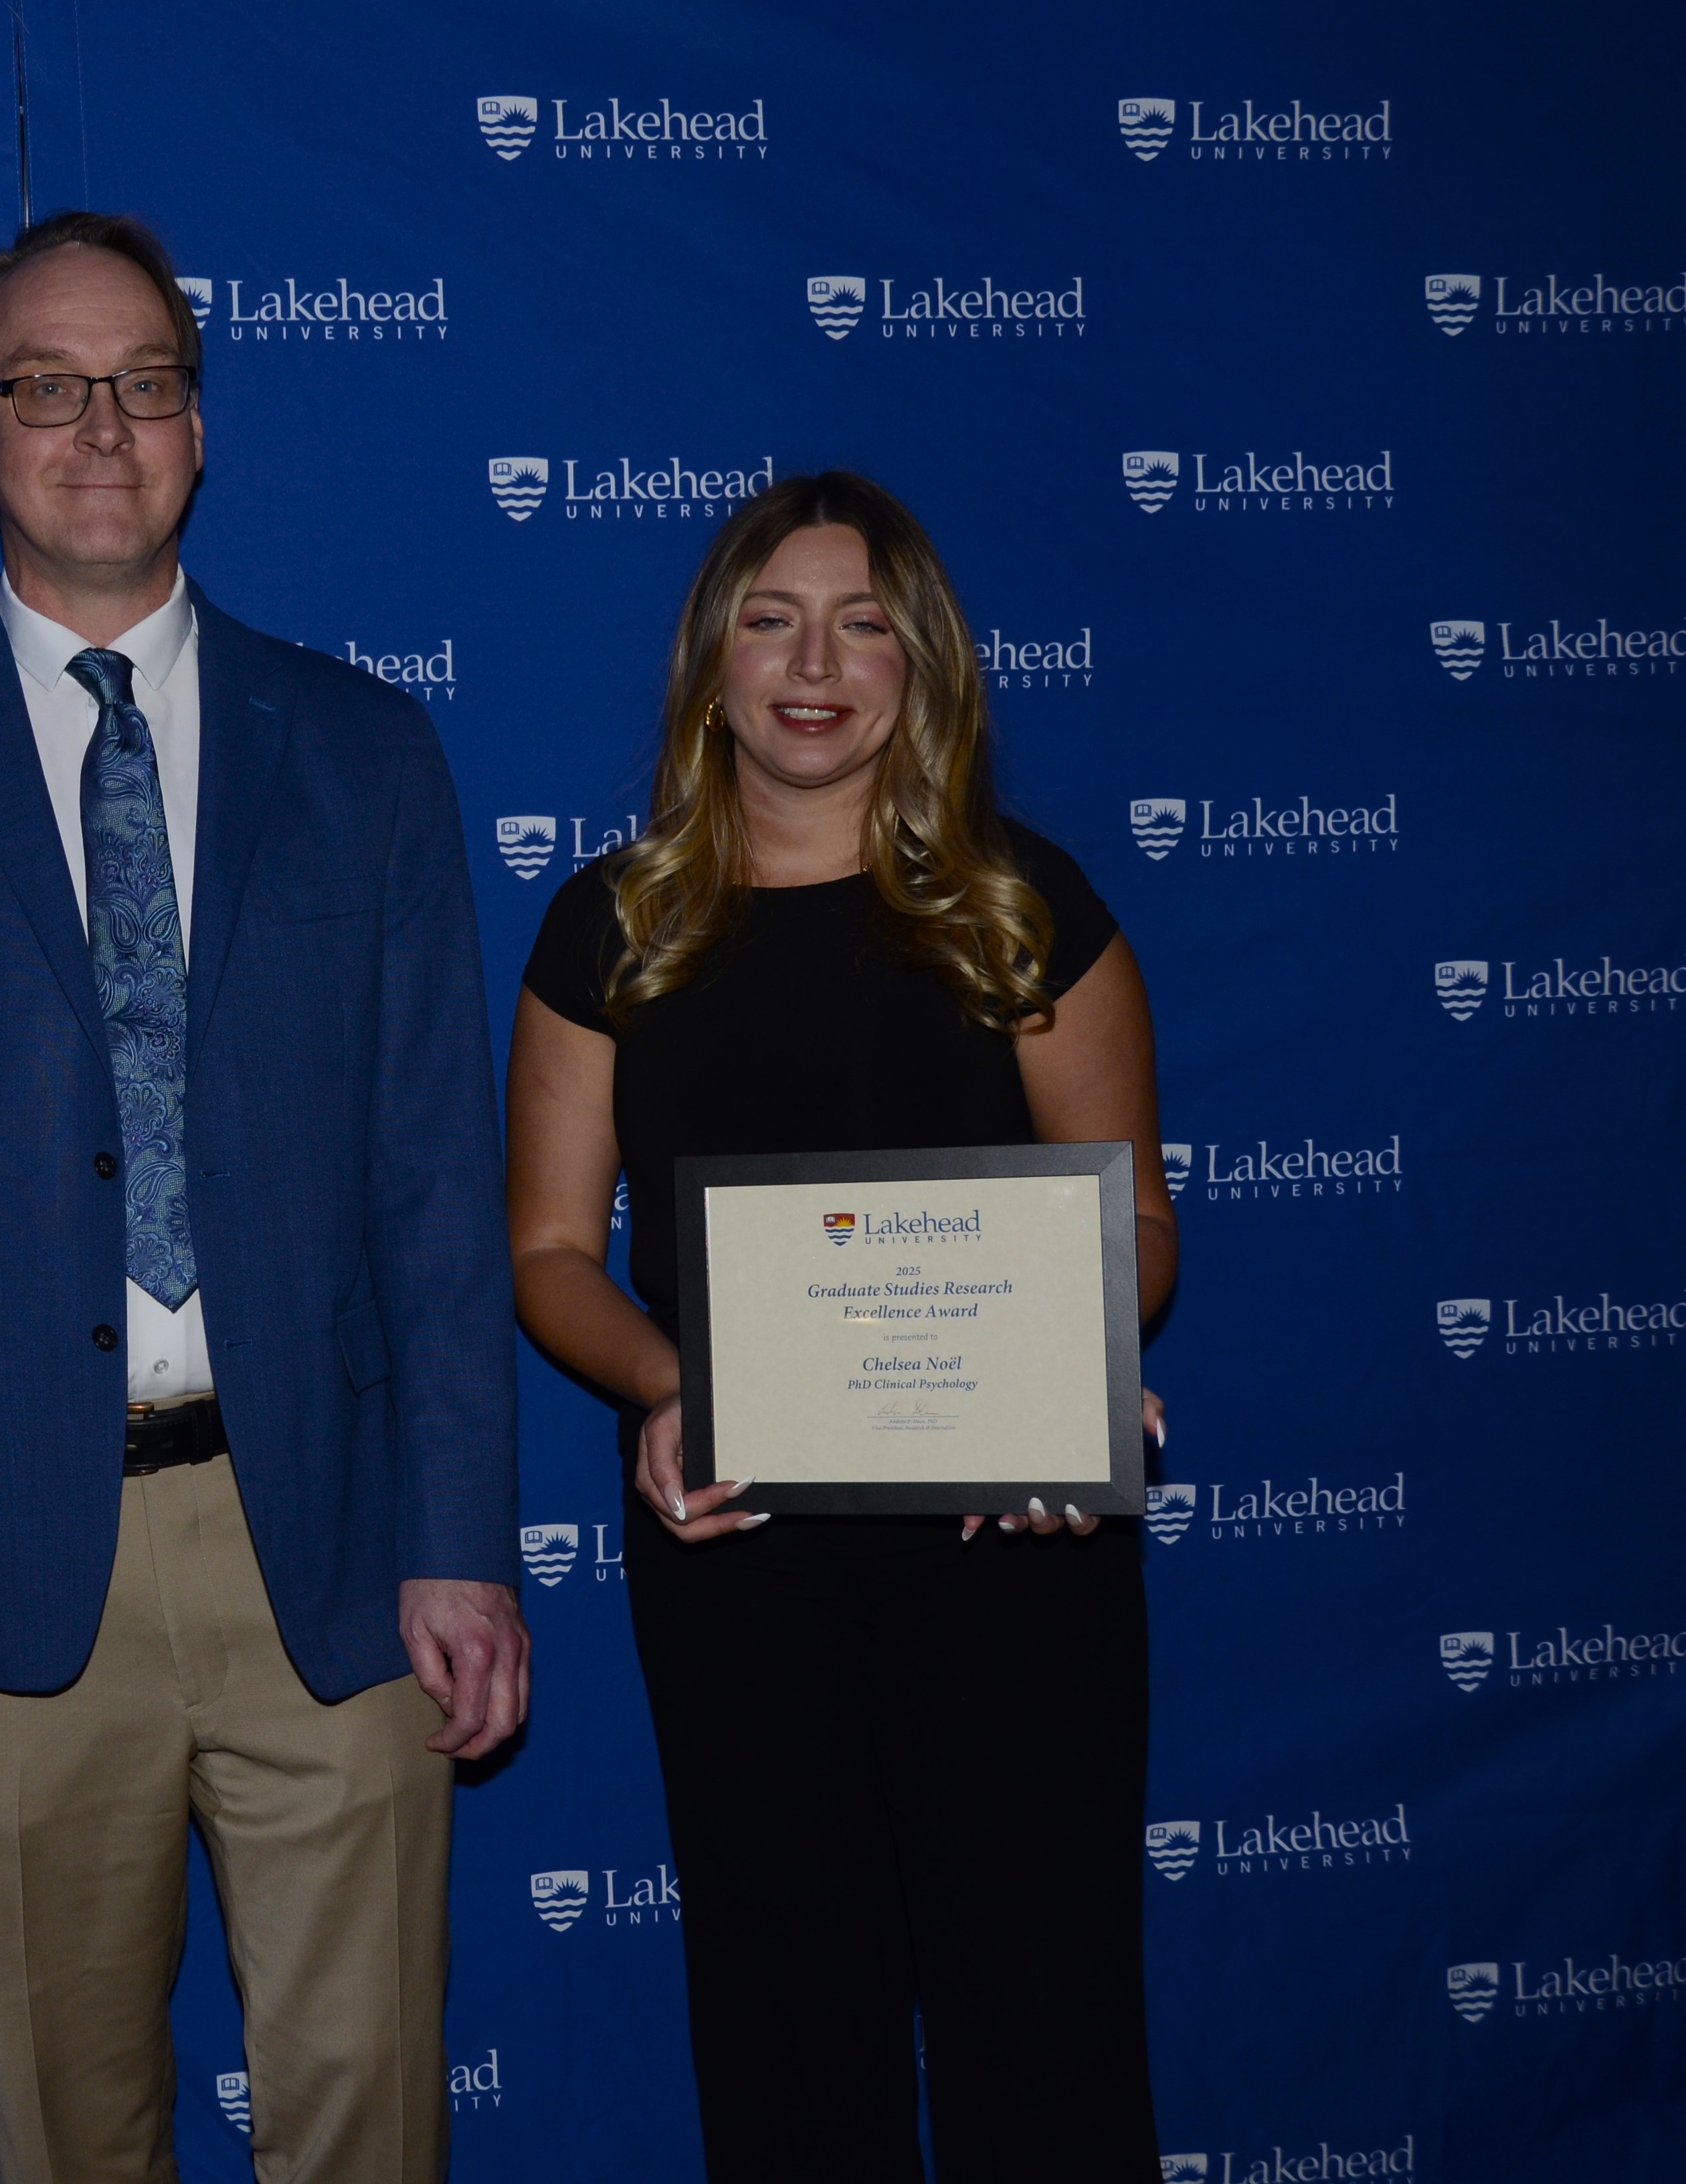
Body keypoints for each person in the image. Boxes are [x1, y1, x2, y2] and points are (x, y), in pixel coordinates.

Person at [0, 209, 527, 2184]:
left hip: (332, 1558)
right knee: (67, 2138)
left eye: (148, 382)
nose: (101, 424)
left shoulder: (362, 747)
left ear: (199, 425)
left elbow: (443, 1180)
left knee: (370, 2130)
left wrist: (464, 1537)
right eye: (48, 385)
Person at [504, 472, 1177, 2183]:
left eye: (863, 621)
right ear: (707, 661)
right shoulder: (612, 928)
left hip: (1011, 1546)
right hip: (739, 1551)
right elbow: (550, 1254)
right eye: (771, 618)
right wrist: (676, 1390)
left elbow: (1137, 1221)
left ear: (923, 665)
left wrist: (1072, 1378)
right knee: (791, 2047)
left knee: (1051, 2043)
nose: (816, 663)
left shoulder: (1024, 907)